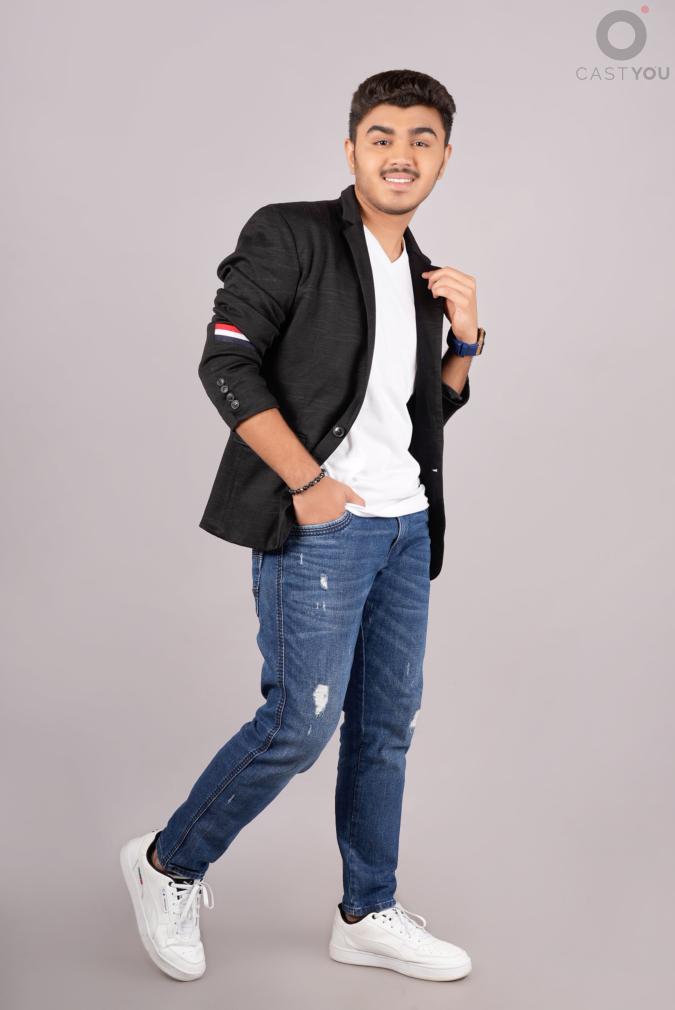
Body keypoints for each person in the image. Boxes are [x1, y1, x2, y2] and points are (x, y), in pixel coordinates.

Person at [120, 68, 486, 984]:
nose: (400, 154)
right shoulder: (290, 233)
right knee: (297, 723)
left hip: (405, 528)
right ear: (351, 148)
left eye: (421, 140)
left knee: (385, 728)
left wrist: (463, 343)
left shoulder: (425, 277)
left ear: (444, 157)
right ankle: (167, 862)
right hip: (324, 525)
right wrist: (307, 483)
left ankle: (366, 911)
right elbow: (226, 363)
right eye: (382, 136)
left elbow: (416, 416)